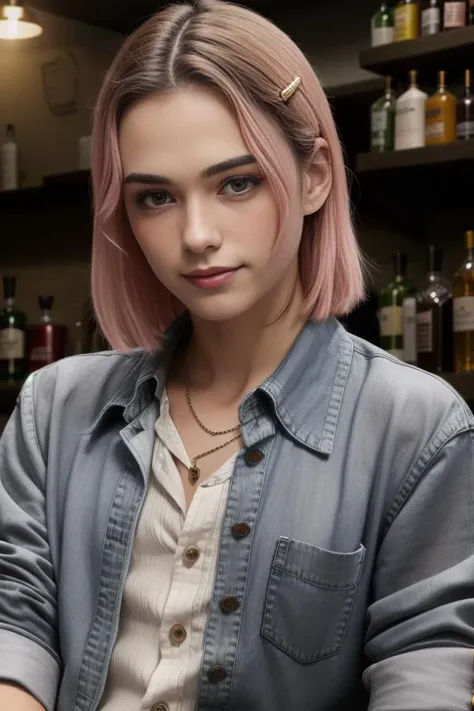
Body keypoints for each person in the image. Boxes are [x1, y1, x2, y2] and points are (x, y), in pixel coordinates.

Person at [1, 1, 473, 709]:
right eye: (155, 197)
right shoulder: (54, 409)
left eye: (236, 183)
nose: (196, 234)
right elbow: (16, 621)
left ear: (314, 175)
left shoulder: (417, 429)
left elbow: (425, 668)